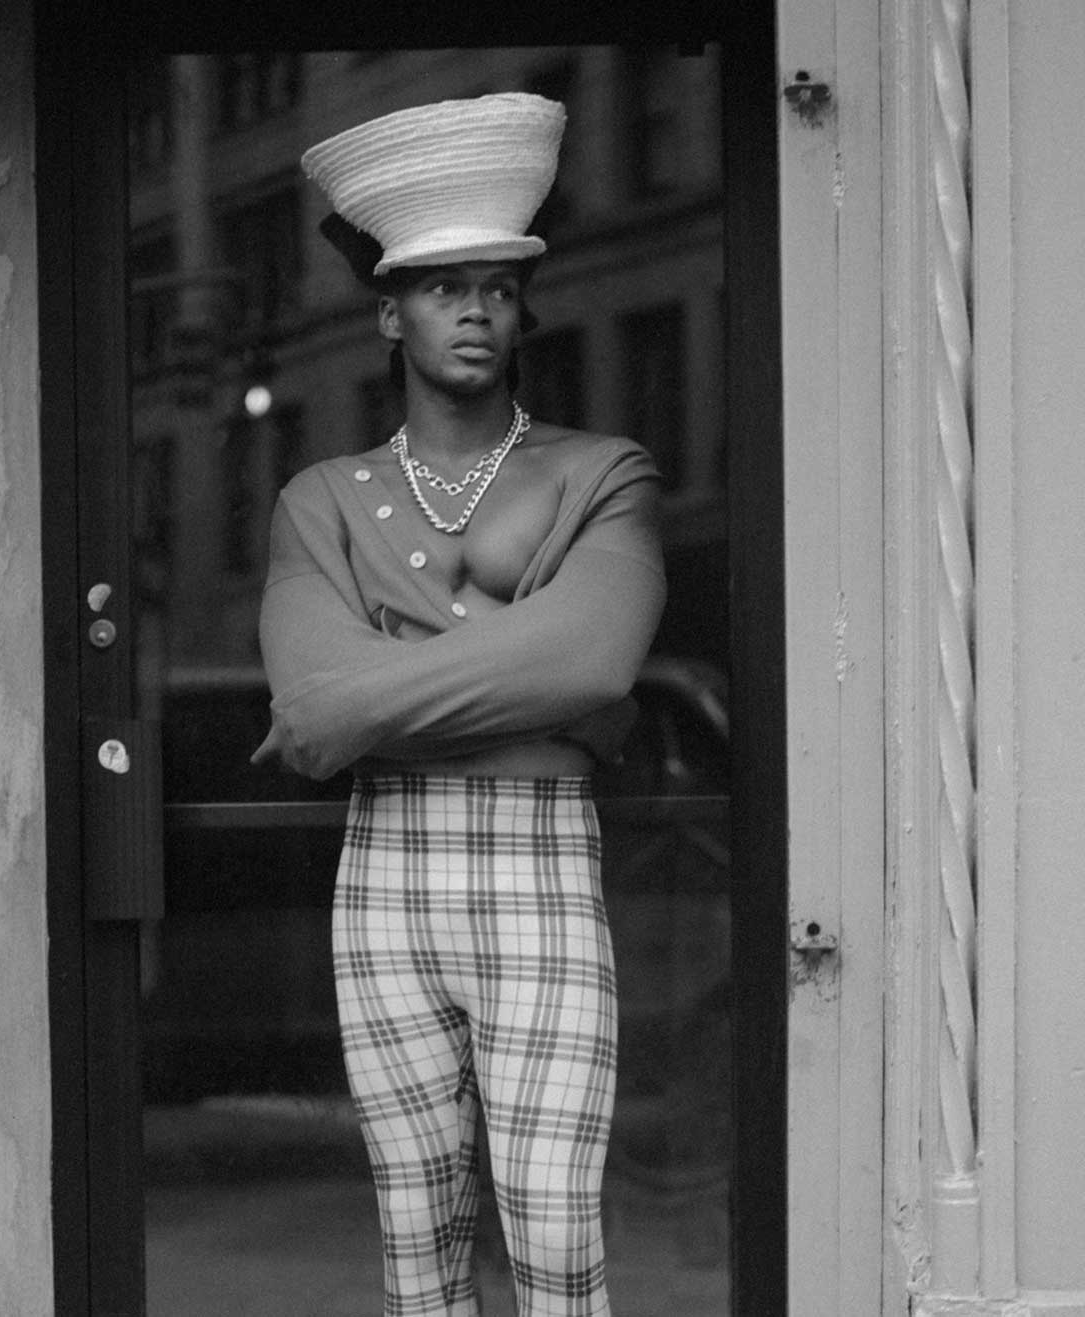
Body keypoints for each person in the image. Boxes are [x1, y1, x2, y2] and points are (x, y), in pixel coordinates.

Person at [251, 93, 666, 1317]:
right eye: (440, 287)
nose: (473, 308)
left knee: (554, 1233)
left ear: (523, 303)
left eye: (494, 284)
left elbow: (591, 668)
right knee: (415, 1237)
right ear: (388, 311)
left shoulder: (601, 469)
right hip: (384, 877)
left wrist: (379, 685)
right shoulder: (322, 496)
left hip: (539, 865)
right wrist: (510, 673)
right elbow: (313, 724)